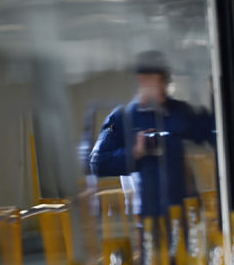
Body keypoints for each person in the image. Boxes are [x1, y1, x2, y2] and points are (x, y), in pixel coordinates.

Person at [89, 50, 213, 217]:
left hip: (182, 210)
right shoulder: (122, 117)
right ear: (142, 81)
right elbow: (97, 162)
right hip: (145, 214)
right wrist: (135, 152)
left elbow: (212, 131)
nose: (161, 88)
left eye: (162, 81)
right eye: (153, 81)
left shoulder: (179, 111)